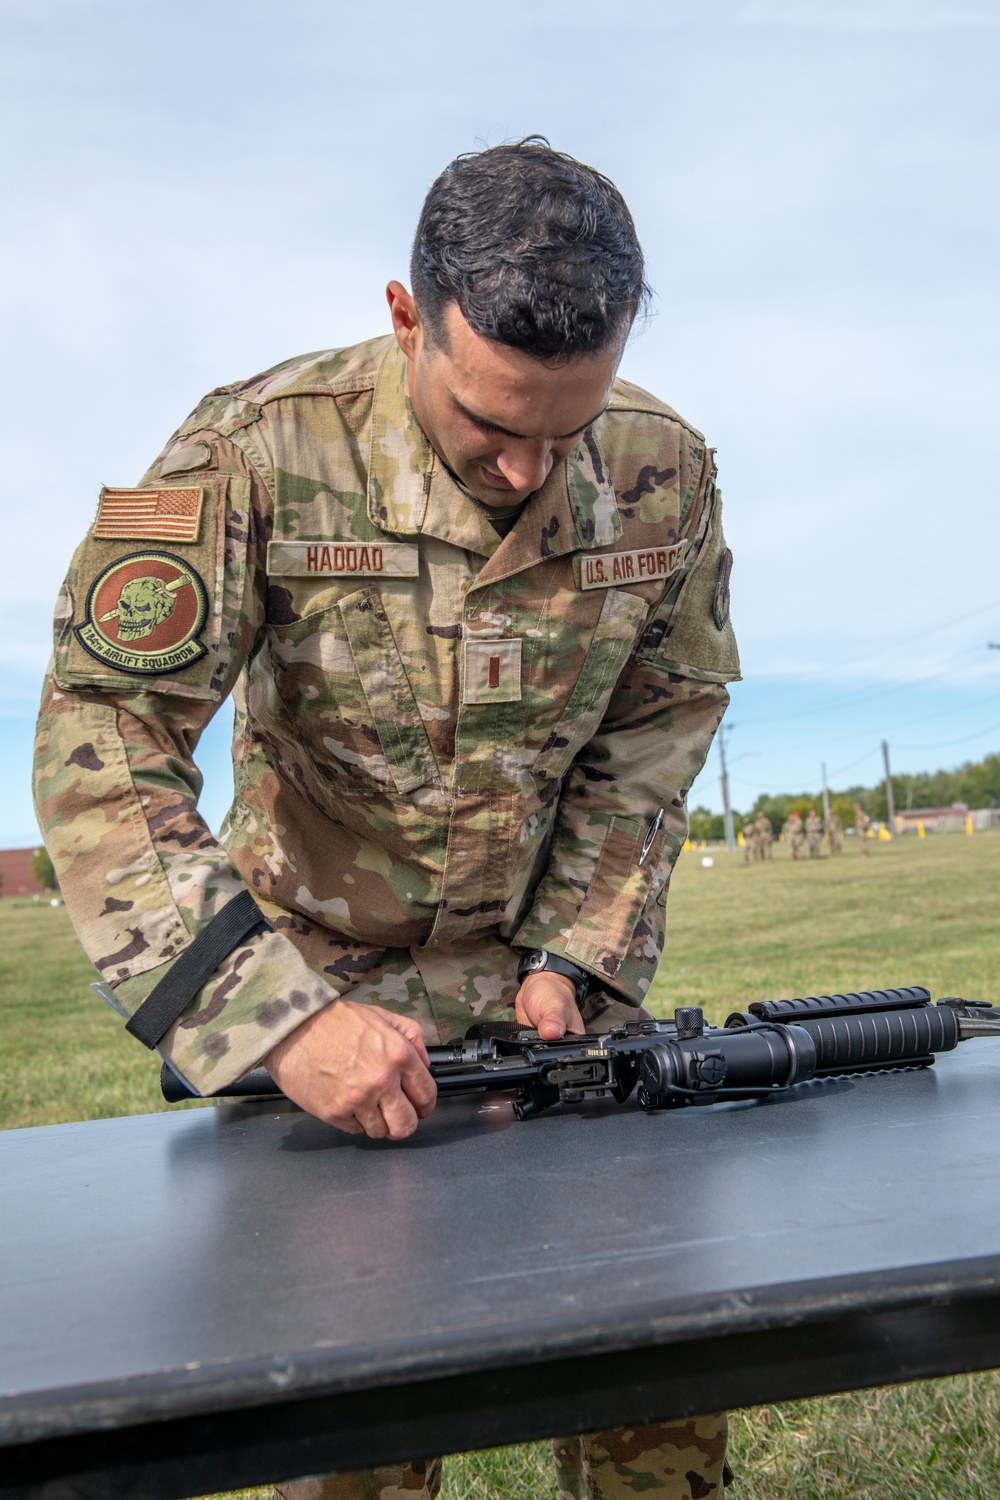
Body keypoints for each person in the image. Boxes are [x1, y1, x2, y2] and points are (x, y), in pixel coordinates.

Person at [33, 140, 740, 1500]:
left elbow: (664, 717)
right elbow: (101, 734)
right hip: (323, 989)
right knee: (352, 1418)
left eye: (566, 429)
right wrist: (275, 1019)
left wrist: (580, 951)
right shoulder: (244, 452)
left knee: (656, 1379)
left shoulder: (668, 473)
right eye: (492, 425)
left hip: (555, 997)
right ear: (406, 318)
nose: (532, 469)